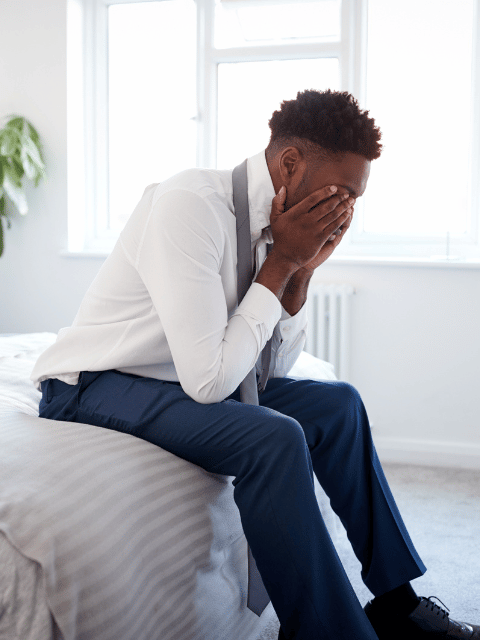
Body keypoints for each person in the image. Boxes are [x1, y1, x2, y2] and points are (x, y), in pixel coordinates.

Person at [31, 89, 479, 640]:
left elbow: (271, 371)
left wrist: (302, 273)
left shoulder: (281, 226)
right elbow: (210, 382)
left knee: (338, 404)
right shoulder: (190, 206)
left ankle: (395, 605)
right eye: (341, 192)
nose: (346, 210)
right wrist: (284, 260)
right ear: (290, 164)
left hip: (176, 374)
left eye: (356, 199)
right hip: (98, 382)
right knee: (275, 438)